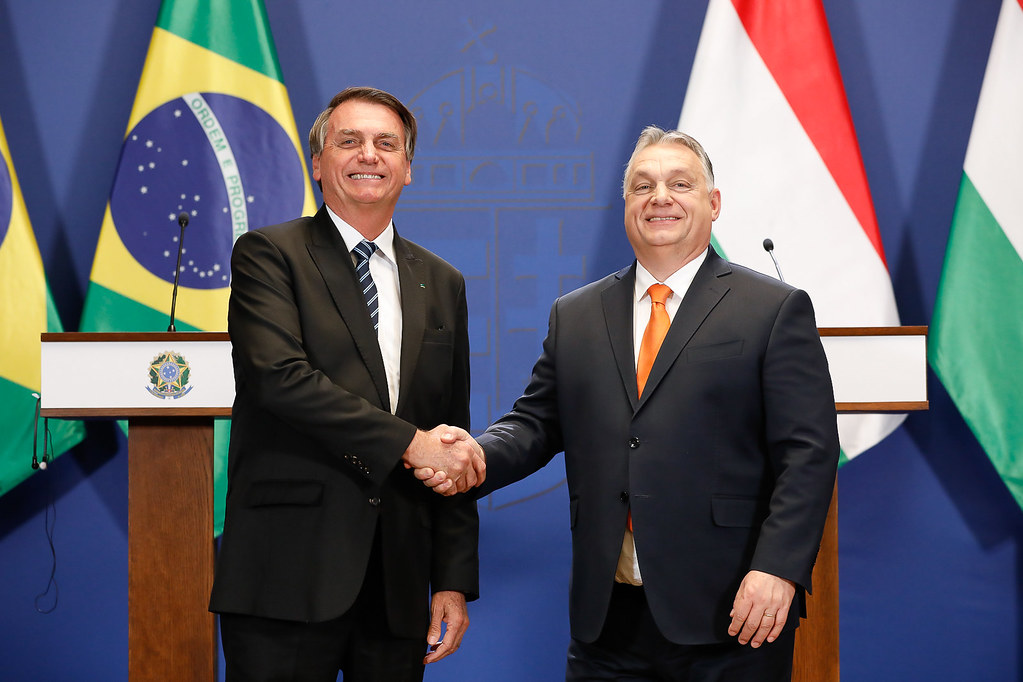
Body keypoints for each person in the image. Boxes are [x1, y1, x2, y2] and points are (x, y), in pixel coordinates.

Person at [421, 126, 839, 681]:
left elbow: (808, 452)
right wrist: (473, 454)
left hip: (733, 614)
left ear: (713, 203)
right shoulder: (577, 314)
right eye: (643, 186)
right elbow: (535, 423)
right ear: (626, 206)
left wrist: (778, 568)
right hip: (608, 623)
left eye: (680, 184)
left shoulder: (773, 308)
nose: (659, 197)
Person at [209, 86, 485, 682]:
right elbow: (280, 379)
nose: (369, 155)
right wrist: (410, 444)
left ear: (408, 168)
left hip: (397, 582)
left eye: (387, 143)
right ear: (318, 162)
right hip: (285, 572)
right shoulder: (268, 255)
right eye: (349, 141)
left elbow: (450, 432)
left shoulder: (443, 281)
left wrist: (453, 578)